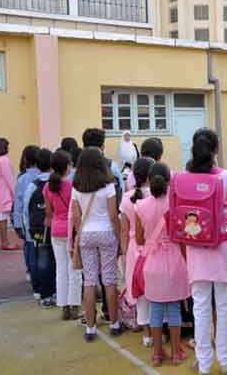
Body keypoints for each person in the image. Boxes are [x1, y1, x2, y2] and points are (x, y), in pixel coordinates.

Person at [186, 129, 227, 375]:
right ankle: (225, 360)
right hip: (222, 248)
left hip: (196, 248)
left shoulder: (183, 178)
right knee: (226, 306)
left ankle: (203, 363)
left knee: (201, 307)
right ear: (216, 149)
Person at [135, 162, 190, 366]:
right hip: (175, 260)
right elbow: (183, 235)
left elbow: (140, 240)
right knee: (174, 308)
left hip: (152, 263)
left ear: (149, 180)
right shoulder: (176, 205)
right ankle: (177, 351)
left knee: (155, 310)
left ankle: (157, 353)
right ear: (169, 181)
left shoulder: (140, 206)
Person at [71, 147, 122, 342]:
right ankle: (115, 323)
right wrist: (119, 237)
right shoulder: (108, 186)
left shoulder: (76, 187)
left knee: (89, 281)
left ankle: (90, 328)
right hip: (106, 232)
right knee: (109, 280)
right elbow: (112, 215)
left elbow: (76, 216)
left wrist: (79, 235)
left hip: (86, 234)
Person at [44, 150, 82, 319]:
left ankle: (64, 306)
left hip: (55, 229)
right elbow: (76, 210)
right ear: (67, 166)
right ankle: (74, 305)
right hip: (70, 230)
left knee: (60, 269)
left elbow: (49, 211)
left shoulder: (47, 186)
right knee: (74, 268)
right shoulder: (72, 185)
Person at [120, 157, 153, 347]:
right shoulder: (156, 195)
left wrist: (124, 254)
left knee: (140, 293)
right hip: (154, 247)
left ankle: (147, 334)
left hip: (134, 249)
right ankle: (160, 331)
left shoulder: (126, 198)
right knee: (156, 291)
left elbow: (124, 230)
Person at [23, 149, 56, 308]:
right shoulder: (58, 182)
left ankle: (46, 296)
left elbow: (25, 210)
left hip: (38, 231)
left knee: (42, 262)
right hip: (57, 228)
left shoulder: (32, 185)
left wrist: (28, 231)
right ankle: (59, 293)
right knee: (58, 261)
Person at [13, 145, 41, 286]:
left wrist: (17, 224)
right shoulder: (44, 176)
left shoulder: (22, 179)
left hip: (27, 221)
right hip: (42, 222)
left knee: (30, 249)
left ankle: (31, 273)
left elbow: (18, 204)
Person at [82, 128, 124, 205]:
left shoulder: (76, 167)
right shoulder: (111, 166)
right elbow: (121, 190)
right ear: (102, 147)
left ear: (83, 147)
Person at [0, 138, 17, 250]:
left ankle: (4, 241)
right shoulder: (4, 160)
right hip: (5, 191)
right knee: (4, 217)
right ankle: (5, 242)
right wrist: (15, 193)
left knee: (1, 217)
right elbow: (9, 178)